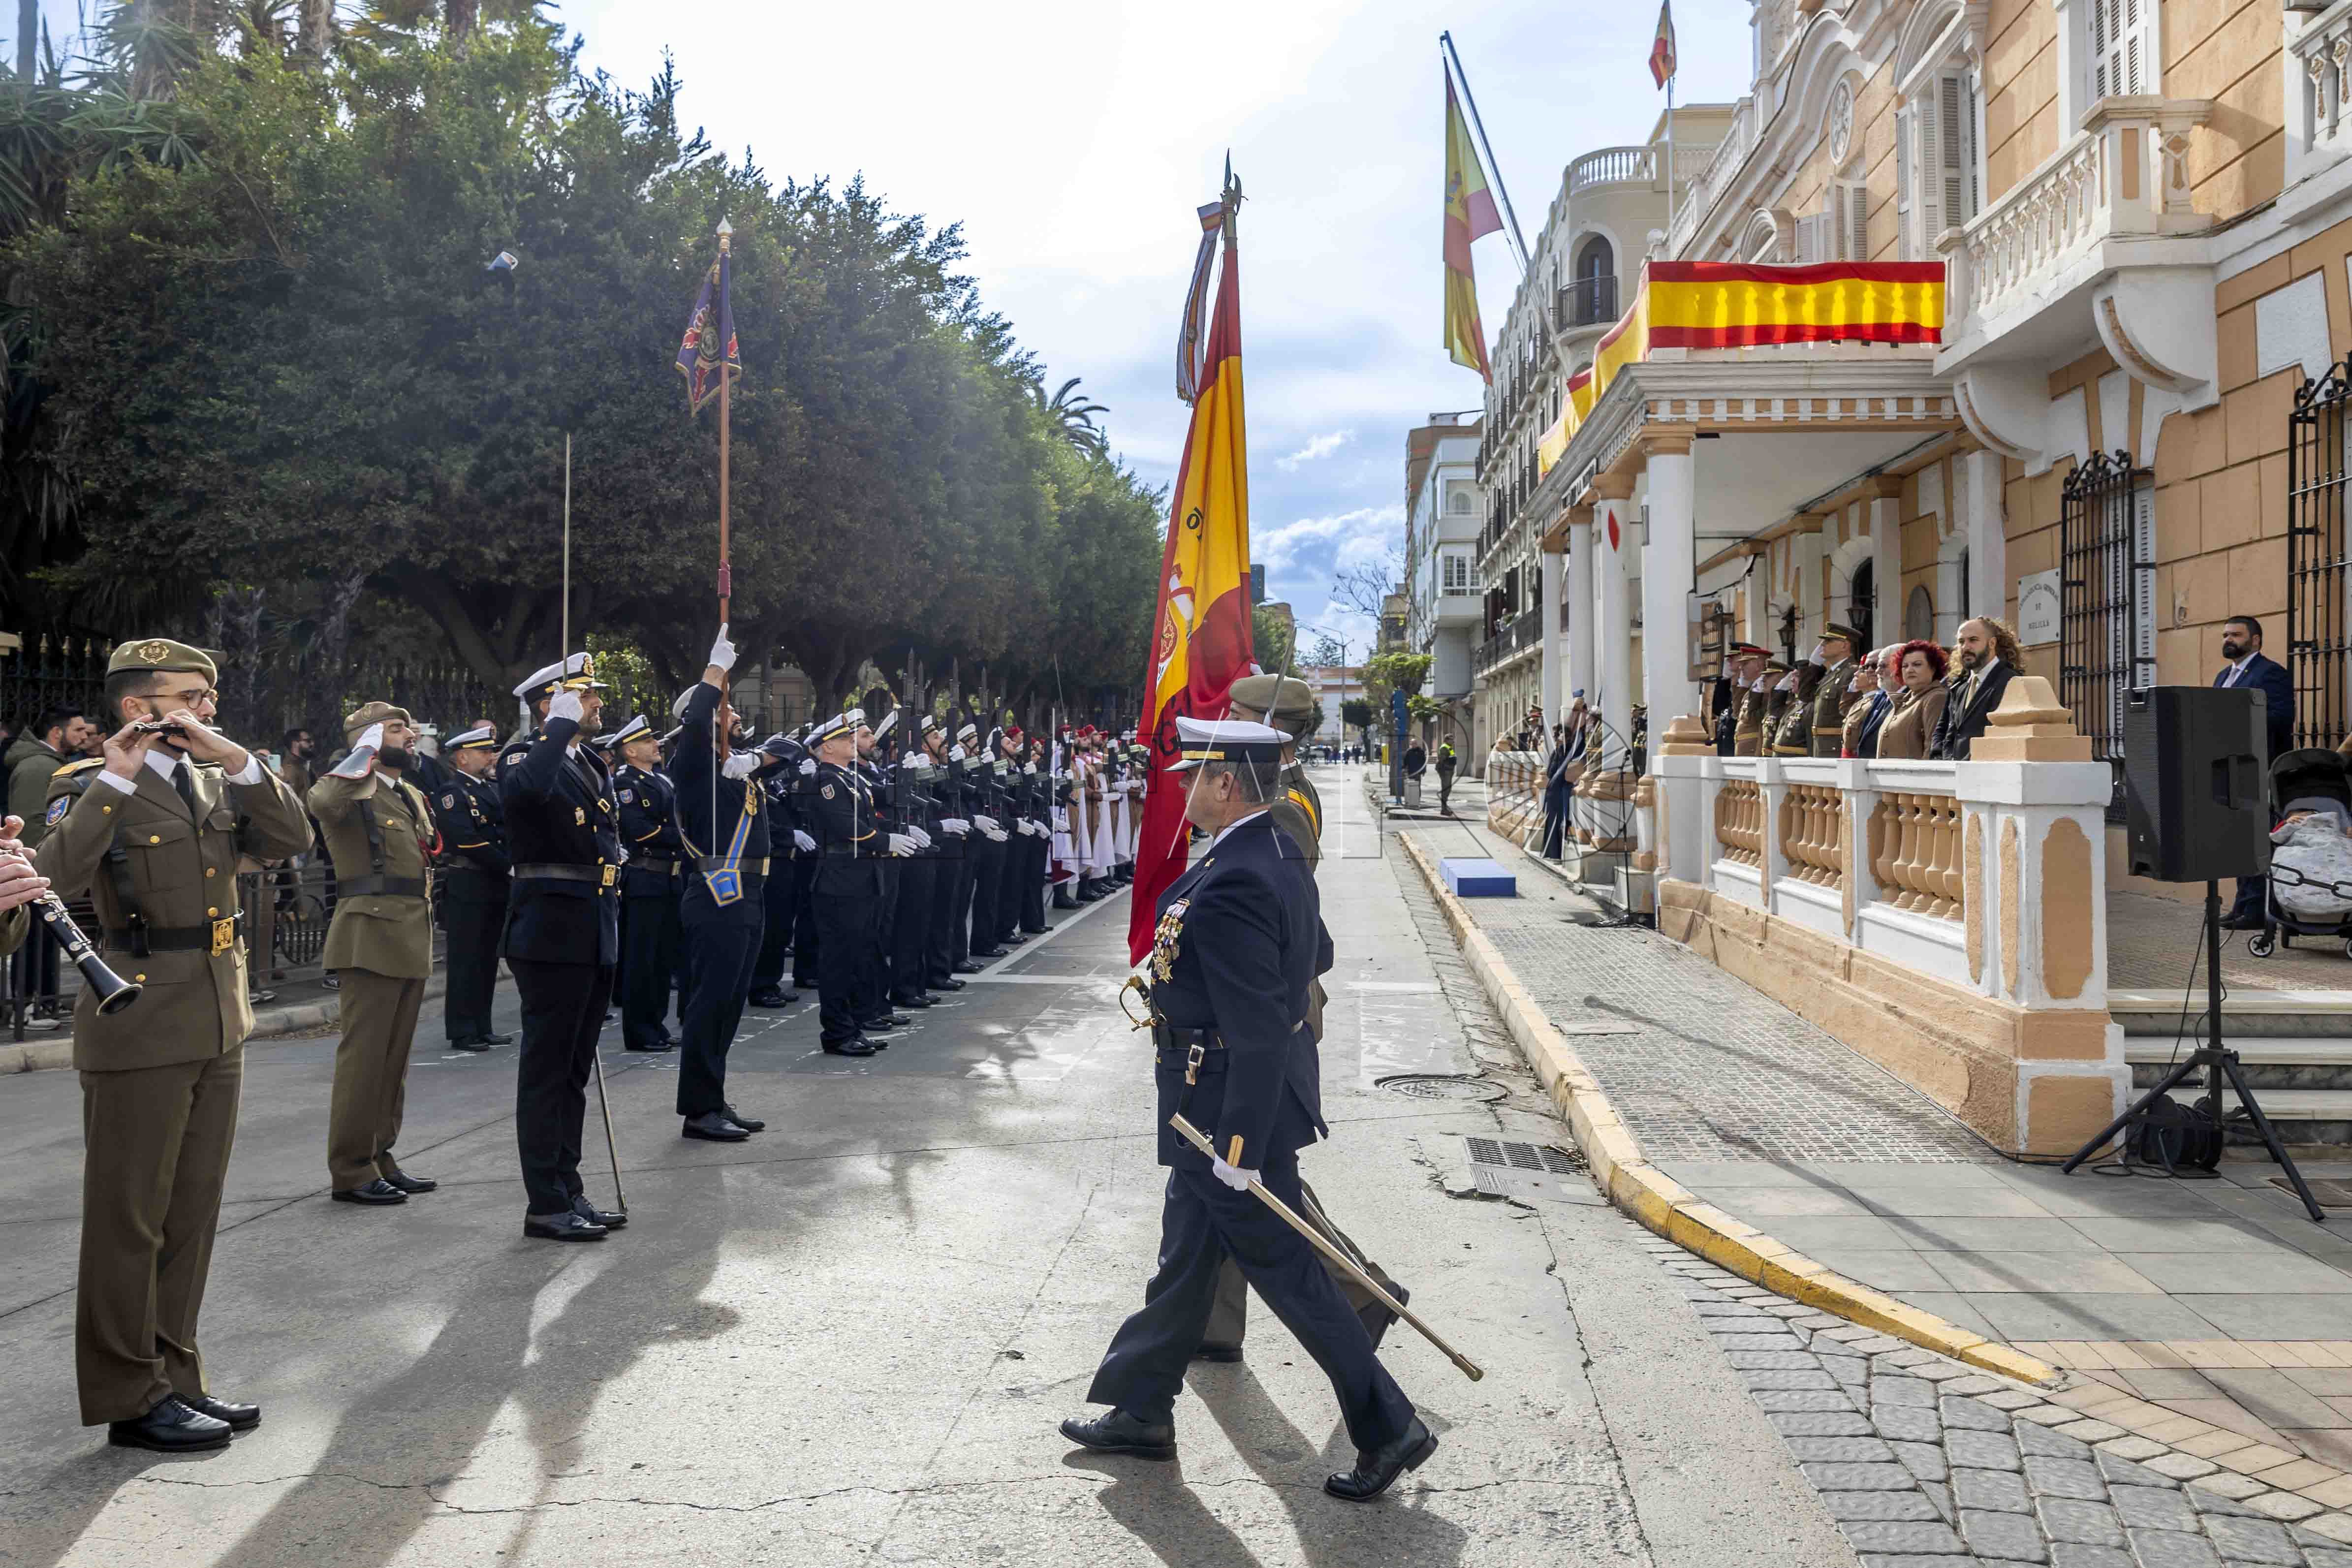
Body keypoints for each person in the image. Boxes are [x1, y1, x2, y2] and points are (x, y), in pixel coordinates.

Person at [1061, 715, 1432, 1501]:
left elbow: (1259, 1026)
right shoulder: (1274, 847)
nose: (1182, 786)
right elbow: (1313, 956)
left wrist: (1236, 1146)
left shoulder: (1236, 873)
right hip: (1219, 1098)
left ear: (1227, 783)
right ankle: (1141, 1408)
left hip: (1223, 1107)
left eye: (1194, 774)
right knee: (1184, 1258)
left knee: (1289, 1274)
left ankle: (1388, 1423)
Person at [34, 638, 311, 1451]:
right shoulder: (86, 784)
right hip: (141, 1017)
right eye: (193, 693)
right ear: (137, 706)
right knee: (130, 1218)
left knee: (190, 1213)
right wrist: (116, 778)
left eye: (212, 693)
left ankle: (175, 1376)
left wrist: (238, 760)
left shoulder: (205, 773)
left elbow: (291, 837)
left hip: (217, 1015)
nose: (210, 704)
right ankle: (127, 1392)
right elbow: (54, 874)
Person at [498, 651, 626, 1242]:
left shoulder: (588, 761)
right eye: (585, 695)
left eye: (593, 695)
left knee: (574, 1071)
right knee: (547, 1073)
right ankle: (544, 1202)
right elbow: (526, 794)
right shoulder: (527, 756)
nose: (597, 702)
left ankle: (569, 1188)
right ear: (550, 703)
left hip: (593, 924)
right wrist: (553, 728)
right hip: (550, 931)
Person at [309, 703, 439, 1207]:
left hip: (408, 933)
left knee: (394, 1061)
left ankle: (381, 1154)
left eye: (410, 727)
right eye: (397, 728)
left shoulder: (406, 792)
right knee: (364, 1061)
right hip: (369, 936)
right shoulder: (348, 788)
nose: (411, 735)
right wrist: (360, 751)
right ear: (366, 740)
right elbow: (321, 802)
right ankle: (351, 1169)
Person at [669, 629, 779, 1141]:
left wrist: (752, 761)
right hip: (718, 893)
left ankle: (713, 1097)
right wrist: (713, 672)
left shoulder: (734, 769)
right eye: (727, 711)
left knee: (731, 1003)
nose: (737, 717)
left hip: (748, 893)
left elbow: (795, 750)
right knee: (710, 1001)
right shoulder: (692, 764)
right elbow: (695, 725)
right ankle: (698, 1110)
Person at [420, 724, 510, 1052]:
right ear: (462, 757)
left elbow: (504, 830)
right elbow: (467, 840)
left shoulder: (490, 789)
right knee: (465, 960)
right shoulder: (451, 793)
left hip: (492, 884)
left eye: (490, 751)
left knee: (487, 960)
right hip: (468, 883)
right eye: (483, 752)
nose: (490, 757)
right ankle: (462, 1029)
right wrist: (506, 862)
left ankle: (482, 1026)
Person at [807, 708, 883, 1056]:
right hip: (839, 879)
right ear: (825, 749)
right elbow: (844, 825)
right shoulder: (826, 780)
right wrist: (885, 842)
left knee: (855, 957)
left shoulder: (850, 777)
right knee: (838, 961)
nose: (850, 741)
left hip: (859, 877)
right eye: (841, 739)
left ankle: (852, 1027)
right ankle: (837, 1033)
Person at [610, 713, 685, 1052]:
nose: (657, 745)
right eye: (647, 742)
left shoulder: (661, 779)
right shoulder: (627, 784)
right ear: (630, 751)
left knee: (662, 960)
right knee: (642, 960)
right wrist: (684, 837)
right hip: (645, 876)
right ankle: (640, 1031)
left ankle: (657, 1025)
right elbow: (641, 830)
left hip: (669, 878)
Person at [2217, 614, 2296, 930]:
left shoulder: (2271, 673)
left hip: (2260, 766)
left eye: (2236, 635)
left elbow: (2280, 717)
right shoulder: (2224, 675)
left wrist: (2237, 721)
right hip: (2232, 767)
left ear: (2256, 640)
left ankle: (2256, 910)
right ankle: (2242, 905)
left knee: (2257, 838)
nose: (2228, 640)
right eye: (2225, 635)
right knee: (2239, 838)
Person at [1929, 617, 2020, 761]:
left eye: (1973, 640)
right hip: (1953, 774)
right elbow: (1945, 731)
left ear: (1992, 643)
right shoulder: (1958, 686)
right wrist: (1943, 761)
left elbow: (1999, 735)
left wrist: (1967, 766)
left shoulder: (2011, 681)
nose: (1965, 647)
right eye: (1961, 642)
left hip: (1985, 772)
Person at [1808, 624, 1862, 758]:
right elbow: (1805, 696)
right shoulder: (1831, 674)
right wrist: (1813, 664)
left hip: (1836, 748)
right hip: (1820, 748)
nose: (1822, 645)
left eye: (1828, 641)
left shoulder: (1852, 672)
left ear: (1845, 646)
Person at [1716, 645, 1765, 756]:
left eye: (1745, 664)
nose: (1741, 668)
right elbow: (1736, 713)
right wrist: (1742, 685)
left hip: (1753, 750)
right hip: (1742, 749)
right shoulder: (1750, 690)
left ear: (1758, 665)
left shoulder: (1764, 691)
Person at [1855, 646, 1904, 759]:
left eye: (1882, 666)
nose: (1876, 671)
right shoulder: (1882, 697)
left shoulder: (1907, 698)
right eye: (1867, 667)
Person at [1838, 651, 1882, 758]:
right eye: (1865, 668)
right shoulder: (1861, 702)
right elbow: (1844, 710)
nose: (1855, 674)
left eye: (1861, 671)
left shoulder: (1878, 702)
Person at [1435, 738, 1457, 815]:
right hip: (1445, 771)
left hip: (1449, 770)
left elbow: (1452, 758)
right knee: (1446, 789)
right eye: (1451, 739)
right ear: (1447, 740)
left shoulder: (1449, 747)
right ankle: (1444, 809)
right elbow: (1442, 760)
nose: (1453, 741)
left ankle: (1445, 807)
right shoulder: (1444, 748)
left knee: (1448, 789)